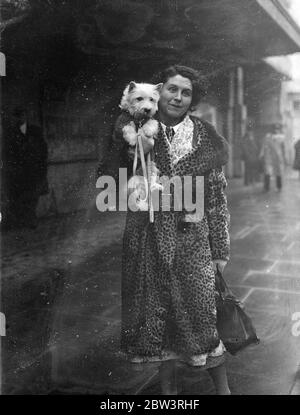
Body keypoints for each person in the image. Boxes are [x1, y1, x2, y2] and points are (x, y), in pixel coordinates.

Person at [114, 65, 231, 395]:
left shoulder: (205, 137)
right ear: (159, 91)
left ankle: (224, 392)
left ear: (193, 100)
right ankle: (168, 396)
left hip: (194, 244)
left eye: (186, 92)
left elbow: (217, 198)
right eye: (172, 89)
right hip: (150, 242)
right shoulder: (136, 131)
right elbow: (115, 181)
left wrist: (219, 250)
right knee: (160, 322)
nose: (177, 97)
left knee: (202, 322)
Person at [2, 107, 48, 229]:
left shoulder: (35, 131)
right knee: (20, 198)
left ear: (26, 116)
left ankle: (30, 221)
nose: (19, 119)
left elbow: (43, 152)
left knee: (33, 198)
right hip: (19, 173)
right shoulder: (10, 134)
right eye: (16, 116)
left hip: (34, 172)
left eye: (21, 116)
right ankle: (22, 223)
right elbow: (8, 154)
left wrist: (42, 171)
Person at [260, 123, 286, 192]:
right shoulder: (268, 137)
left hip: (277, 158)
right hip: (270, 158)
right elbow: (264, 147)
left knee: (278, 173)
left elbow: (282, 148)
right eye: (275, 129)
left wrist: (282, 157)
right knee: (268, 172)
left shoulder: (280, 138)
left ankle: (279, 186)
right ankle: (266, 187)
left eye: (277, 129)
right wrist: (263, 155)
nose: (276, 131)